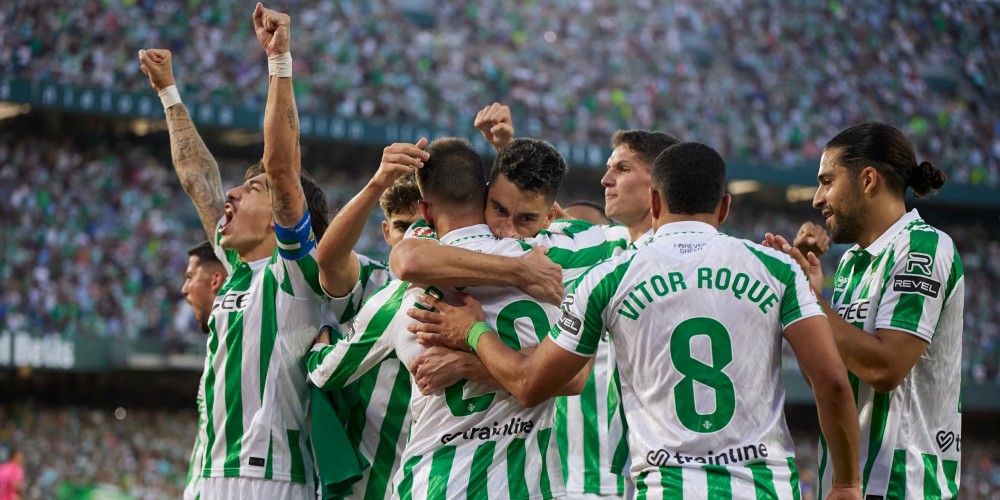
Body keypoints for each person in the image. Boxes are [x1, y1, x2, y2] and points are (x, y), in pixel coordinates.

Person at [408, 142, 863, 499]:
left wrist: (474, 332)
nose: (508, 229)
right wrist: (846, 484)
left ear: (654, 200)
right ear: (725, 208)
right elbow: (832, 383)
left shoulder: (609, 274)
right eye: (499, 210)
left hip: (663, 487)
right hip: (766, 487)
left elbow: (532, 384)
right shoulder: (776, 268)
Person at [308, 137, 591, 499]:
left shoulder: (401, 294)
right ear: (485, 193)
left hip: (438, 484)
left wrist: (318, 348)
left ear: (426, 212)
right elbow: (570, 378)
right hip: (532, 488)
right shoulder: (552, 261)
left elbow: (327, 373)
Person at [140, 4, 332, 497]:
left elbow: (282, 166)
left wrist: (279, 61)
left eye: (253, 189)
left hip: (271, 479)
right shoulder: (238, 268)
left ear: (281, 214)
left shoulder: (295, 271)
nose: (233, 193)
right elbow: (198, 179)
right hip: (208, 475)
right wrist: (168, 91)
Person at [765, 122, 963, 499]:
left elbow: (885, 368)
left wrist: (806, 298)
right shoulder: (853, 263)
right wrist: (806, 303)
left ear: (868, 180)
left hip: (904, 486)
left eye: (827, 181)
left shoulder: (921, 247)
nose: (817, 199)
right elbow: (827, 376)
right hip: (848, 485)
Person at [180, 241, 227, 500]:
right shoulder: (215, 344)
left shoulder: (240, 339)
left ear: (215, 280)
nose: (184, 289)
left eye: (190, 277)